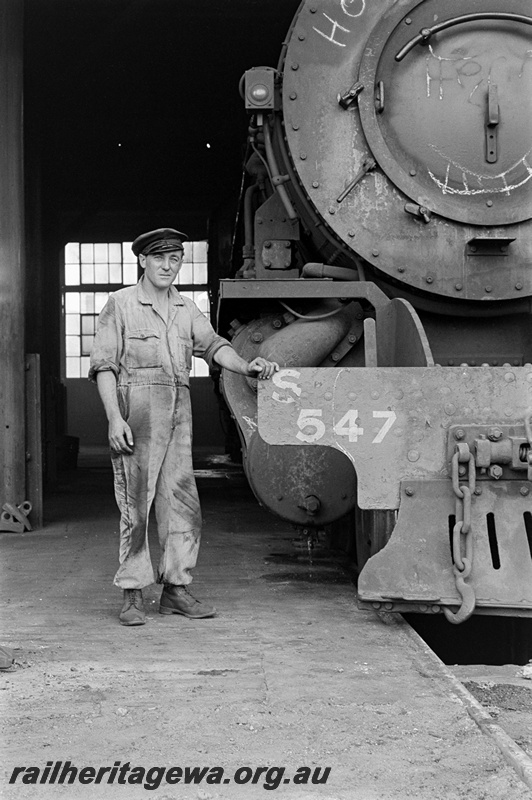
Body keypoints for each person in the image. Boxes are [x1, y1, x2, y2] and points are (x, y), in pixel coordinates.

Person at [89, 228, 278, 626]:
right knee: (136, 505)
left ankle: (175, 589)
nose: (167, 266)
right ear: (143, 261)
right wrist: (114, 419)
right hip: (136, 413)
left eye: (175, 259)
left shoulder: (185, 308)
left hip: (178, 414)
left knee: (182, 506)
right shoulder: (121, 304)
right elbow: (104, 366)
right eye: (159, 258)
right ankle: (133, 594)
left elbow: (213, 345)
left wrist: (247, 365)